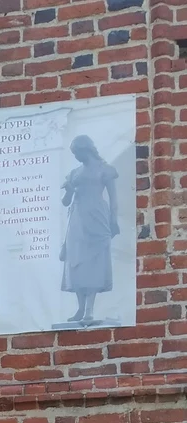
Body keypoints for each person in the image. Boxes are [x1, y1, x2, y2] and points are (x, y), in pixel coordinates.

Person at [60, 134, 120, 325]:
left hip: (97, 217)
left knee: (94, 262)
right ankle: (79, 307)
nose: (76, 156)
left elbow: (114, 199)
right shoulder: (74, 173)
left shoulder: (105, 170)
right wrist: (69, 189)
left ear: (86, 149)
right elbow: (65, 201)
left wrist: (113, 220)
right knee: (75, 261)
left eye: (77, 152)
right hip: (77, 220)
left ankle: (89, 309)